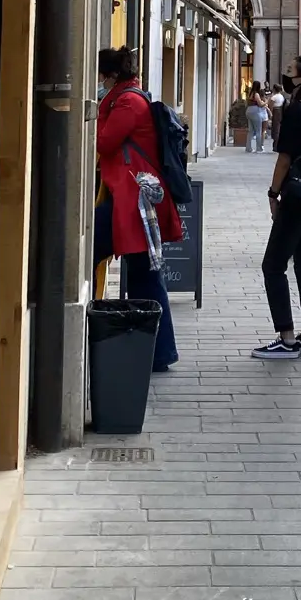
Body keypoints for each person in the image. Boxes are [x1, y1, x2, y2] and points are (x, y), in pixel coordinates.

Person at [95, 46, 181, 371]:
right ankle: (157, 352)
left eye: (102, 76)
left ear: (112, 75)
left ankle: (159, 351)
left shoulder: (127, 102)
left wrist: (99, 110)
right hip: (131, 198)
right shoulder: (126, 97)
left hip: (135, 202)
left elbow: (104, 141)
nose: (100, 82)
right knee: (145, 274)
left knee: (144, 273)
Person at [255, 56, 301, 360]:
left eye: (290, 71)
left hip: (296, 194)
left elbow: (284, 158)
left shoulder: (297, 109)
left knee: (273, 265)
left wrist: (273, 193)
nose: (286, 75)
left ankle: (286, 338)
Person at [245, 83, 268, 154]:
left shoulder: (250, 93)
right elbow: (260, 104)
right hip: (255, 112)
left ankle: (248, 148)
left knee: (250, 131)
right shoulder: (256, 94)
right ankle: (259, 148)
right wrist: (266, 102)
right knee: (258, 130)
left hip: (248, 111)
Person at [267, 78, 287, 150]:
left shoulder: (274, 97)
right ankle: (276, 144)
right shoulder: (281, 96)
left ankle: (275, 144)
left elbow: (271, 106)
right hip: (280, 112)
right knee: (278, 127)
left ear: (274, 89)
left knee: (275, 128)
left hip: (275, 112)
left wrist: (270, 115)